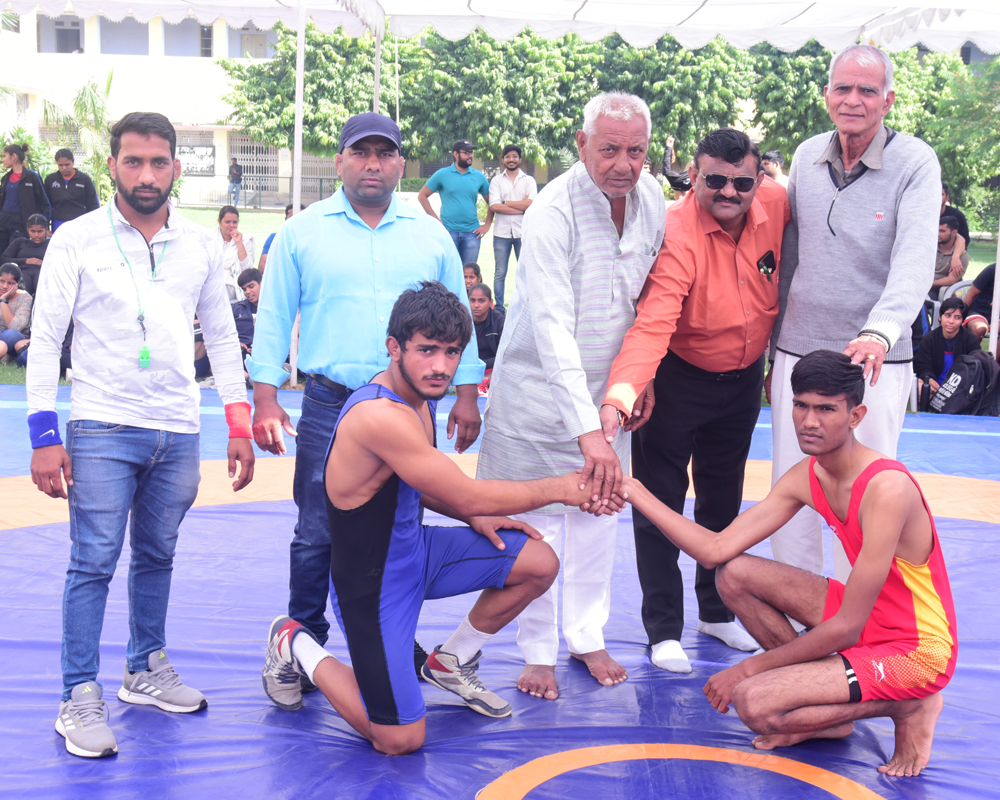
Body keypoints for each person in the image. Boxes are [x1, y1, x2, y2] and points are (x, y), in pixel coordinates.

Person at [261, 281, 616, 755]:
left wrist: (476, 517)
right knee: (400, 739)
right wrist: (563, 489)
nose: (441, 366)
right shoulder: (379, 415)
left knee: (539, 562)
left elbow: (422, 484)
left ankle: (452, 660)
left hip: (417, 552)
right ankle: (294, 641)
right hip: (372, 586)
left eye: (452, 352)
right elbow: (466, 492)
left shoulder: (418, 397)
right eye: (427, 350)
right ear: (394, 347)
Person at [26, 111, 255, 759]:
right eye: (133, 162)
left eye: (158, 162)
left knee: (157, 554)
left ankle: (144, 667)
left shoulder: (201, 244)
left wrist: (237, 421)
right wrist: (43, 433)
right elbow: (45, 337)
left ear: (176, 167)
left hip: (178, 428)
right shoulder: (76, 238)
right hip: (101, 423)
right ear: (113, 167)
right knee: (93, 561)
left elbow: (223, 339)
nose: (146, 175)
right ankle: (78, 693)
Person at [621, 350, 956, 778]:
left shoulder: (887, 489)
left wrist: (749, 669)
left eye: (826, 409)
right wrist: (635, 490)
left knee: (754, 702)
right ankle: (829, 713)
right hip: (874, 619)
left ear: (856, 416)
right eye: (801, 405)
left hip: (918, 649)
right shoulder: (808, 475)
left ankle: (911, 704)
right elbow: (716, 549)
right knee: (734, 573)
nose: (809, 421)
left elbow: (845, 628)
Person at [247, 112, 484, 670]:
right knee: (316, 529)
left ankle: (393, 641)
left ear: (401, 163)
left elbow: (458, 319)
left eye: (384, 153)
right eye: (360, 153)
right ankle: (301, 644)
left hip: (409, 409)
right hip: (330, 404)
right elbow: (274, 314)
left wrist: (467, 392)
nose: (372, 164)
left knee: (403, 526)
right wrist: (265, 396)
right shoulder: (303, 231)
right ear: (339, 162)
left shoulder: (430, 234)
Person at [477, 91, 666, 701]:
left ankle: (586, 635)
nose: (623, 164)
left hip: (611, 395)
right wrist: (586, 432)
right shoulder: (552, 210)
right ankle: (537, 651)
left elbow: (648, 301)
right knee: (536, 526)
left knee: (599, 517)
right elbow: (553, 326)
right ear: (582, 145)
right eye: (609, 149)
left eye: (635, 151)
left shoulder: (653, 198)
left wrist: (638, 379)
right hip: (537, 393)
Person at [600, 128, 790, 673]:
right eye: (715, 180)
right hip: (678, 379)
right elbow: (654, 321)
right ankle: (663, 628)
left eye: (742, 183)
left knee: (723, 501)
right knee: (660, 503)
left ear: (759, 179)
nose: (729, 192)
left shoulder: (777, 203)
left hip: (743, 380)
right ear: (693, 175)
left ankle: (717, 609)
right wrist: (622, 393)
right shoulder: (677, 231)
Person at [768, 44, 941, 582]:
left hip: (875, 361)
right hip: (798, 349)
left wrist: (879, 333)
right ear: (827, 95)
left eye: (867, 90)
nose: (853, 100)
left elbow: (915, 261)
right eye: (842, 88)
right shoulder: (805, 156)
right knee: (792, 486)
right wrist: (772, 348)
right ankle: (799, 609)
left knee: (869, 494)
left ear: (888, 101)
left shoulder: (916, 161)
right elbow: (790, 256)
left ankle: (860, 617)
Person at [418, 139, 493, 263]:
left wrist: (487, 225)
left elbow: (492, 202)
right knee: (448, 271)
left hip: (472, 233)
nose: (470, 155)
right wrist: (436, 220)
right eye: (466, 153)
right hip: (448, 231)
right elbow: (422, 196)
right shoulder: (442, 174)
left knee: (468, 272)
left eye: (471, 152)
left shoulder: (478, 176)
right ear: (456, 154)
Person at [488, 144, 537, 309]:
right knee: (500, 273)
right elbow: (494, 206)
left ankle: (527, 307)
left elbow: (531, 204)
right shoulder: (496, 181)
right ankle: (499, 308)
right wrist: (521, 207)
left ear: (520, 159)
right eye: (508, 156)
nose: (511, 159)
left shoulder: (529, 180)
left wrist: (506, 202)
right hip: (501, 234)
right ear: (503, 159)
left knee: (526, 271)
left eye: (515, 156)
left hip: (523, 233)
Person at [914, 296, 981, 399]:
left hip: (960, 390)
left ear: (962, 321)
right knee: (920, 387)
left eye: (957, 317)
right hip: (935, 387)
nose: (951, 321)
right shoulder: (929, 339)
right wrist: (929, 379)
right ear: (940, 317)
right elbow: (923, 366)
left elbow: (975, 368)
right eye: (948, 315)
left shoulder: (970, 339)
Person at [0, 142, 51, 253]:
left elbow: (45, 202)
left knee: (14, 253)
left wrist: (44, 225)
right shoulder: (5, 178)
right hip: (3, 220)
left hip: (20, 223)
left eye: (4, 156)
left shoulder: (32, 177)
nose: (2, 160)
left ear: (14, 156)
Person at [44, 148, 100, 230]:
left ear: (73, 162)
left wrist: (92, 225)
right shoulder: (50, 180)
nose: (64, 168)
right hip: (58, 224)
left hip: (80, 223)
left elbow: (93, 204)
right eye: (60, 165)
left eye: (67, 164)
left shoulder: (84, 179)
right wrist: (45, 226)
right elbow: (45, 204)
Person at [1, 213, 49, 295]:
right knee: (25, 279)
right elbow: (3, 259)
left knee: (39, 278)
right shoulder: (20, 242)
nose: (36, 235)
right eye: (32, 231)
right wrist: (26, 261)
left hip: (43, 273)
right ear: (27, 229)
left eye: (40, 231)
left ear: (46, 230)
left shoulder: (51, 244)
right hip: (22, 273)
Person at [216, 205, 255, 303]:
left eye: (235, 222)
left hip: (233, 284)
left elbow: (247, 270)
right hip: (212, 280)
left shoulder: (245, 240)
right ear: (219, 221)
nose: (231, 225)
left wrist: (239, 243)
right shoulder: (209, 238)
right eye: (227, 222)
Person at [0, 262, 33, 361]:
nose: (5, 286)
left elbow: (15, 327)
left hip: (13, 337)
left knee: (11, 334)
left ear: (18, 284)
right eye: (2, 281)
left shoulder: (25, 298)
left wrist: (3, 301)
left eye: (10, 283)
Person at [469, 282, 504, 370]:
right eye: (472, 300)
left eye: (481, 301)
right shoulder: (461, 320)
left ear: (490, 302)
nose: (476, 305)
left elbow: (506, 355)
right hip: (468, 367)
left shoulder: (499, 320)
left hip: (494, 368)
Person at [930, 215, 968, 297]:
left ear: (954, 232)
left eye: (942, 231)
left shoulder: (962, 255)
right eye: (937, 230)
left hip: (942, 291)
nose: (938, 234)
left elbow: (951, 280)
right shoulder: (930, 247)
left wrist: (927, 284)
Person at [259, 203, 302, 271]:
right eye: (291, 218)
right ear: (286, 219)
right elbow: (262, 266)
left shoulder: (310, 240)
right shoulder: (274, 238)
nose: (294, 221)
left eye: (299, 218)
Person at [963, 262, 995, 341]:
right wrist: (960, 315)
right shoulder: (993, 270)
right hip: (980, 311)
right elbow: (970, 296)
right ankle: (969, 349)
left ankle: (994, 350)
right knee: (979, 329)